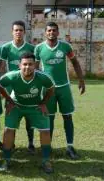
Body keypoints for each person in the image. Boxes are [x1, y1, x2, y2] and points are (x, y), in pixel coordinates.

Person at [34, 21, 85, 159]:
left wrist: (81, 80)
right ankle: (47, 146)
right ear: (45, 32)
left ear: (58, 32)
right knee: (48, 118)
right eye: (49, 30)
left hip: (64, 87)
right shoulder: (38, 48)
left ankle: (70, 146)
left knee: (67, 116)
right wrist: (37, 87)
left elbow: (75, 62)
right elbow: (36, 69)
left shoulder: (65, 46)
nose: (51, 33)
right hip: (48, 89)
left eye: (54, 30)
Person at [0, 52, 55, 174]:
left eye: (30, 64)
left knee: (45, 131)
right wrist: (9, 101)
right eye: (24, 64)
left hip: (35, 106)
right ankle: (7, 160)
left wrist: (43, 103)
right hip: (17, 106)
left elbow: (51, 88)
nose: (27, 67)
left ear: (35, 65)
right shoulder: (12, 76)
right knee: (8, 130)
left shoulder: (43, 77)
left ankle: (46, 160)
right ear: (19, 65)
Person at [0, 20, 36, 153]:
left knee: (29, 116)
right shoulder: (6, 48)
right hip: (10, 88)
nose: (18, 32)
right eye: (16, 30)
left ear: (24, 32)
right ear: (12, 32)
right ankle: (11, 143)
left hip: (27, 87)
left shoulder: (31, 48)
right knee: (11, 115)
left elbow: (36, 68)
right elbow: (2, 68)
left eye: (21, 30)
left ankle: (31, 143)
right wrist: (4, 85)